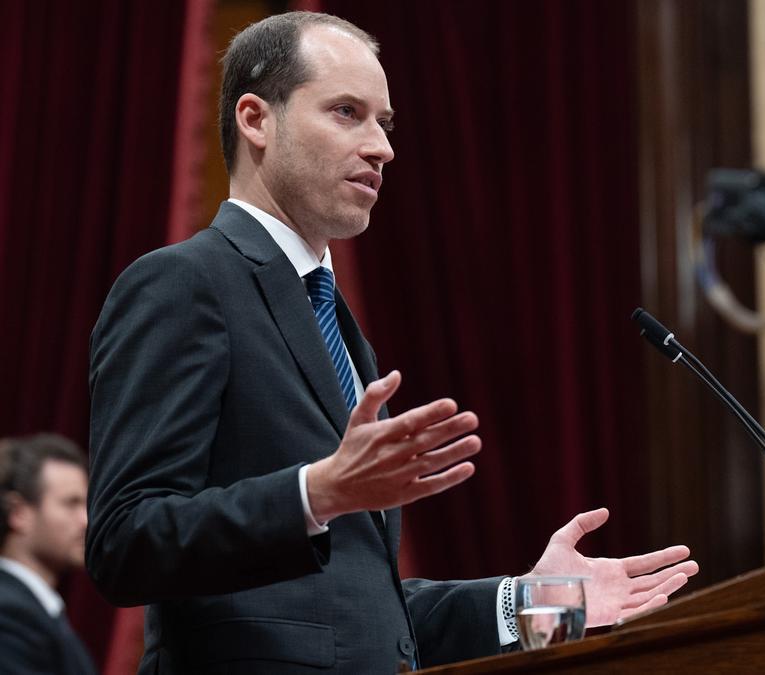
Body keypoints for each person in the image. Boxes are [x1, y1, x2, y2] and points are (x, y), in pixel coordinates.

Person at [87, 11, 697, 674]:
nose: (382, 148)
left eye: (385, 123)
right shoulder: (183, 284)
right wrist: (314, 492)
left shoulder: (338, 326)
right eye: (348, 112)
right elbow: (124, 541)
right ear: (256, 119)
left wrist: (540, 603)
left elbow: (355, 614)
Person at [0, 433, 97, 675]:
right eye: (70, 503)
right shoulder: (8, 613)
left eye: (86, 506)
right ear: (18, 512)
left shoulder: (38, 610)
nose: (86, 521)